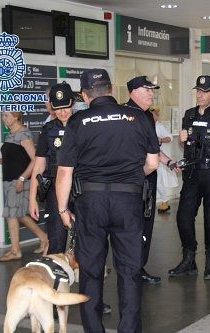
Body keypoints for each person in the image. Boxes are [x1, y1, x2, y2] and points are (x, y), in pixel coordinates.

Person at [56, 69, 159, 333]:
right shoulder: (138, 117)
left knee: (90, 272)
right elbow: (152, 163)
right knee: (130, 271)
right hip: (128, 202)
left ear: (84, 94)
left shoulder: (78, 121)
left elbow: (65, 172)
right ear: (112, 89)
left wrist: (62, 208)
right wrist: (131, 177)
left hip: (90, 203)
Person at [168, 75, 210, 280]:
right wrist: (181, 141)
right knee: (183, 216)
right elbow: (186, 145)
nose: (200, 94)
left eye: (205, 91)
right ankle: (189, 258)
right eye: (198, 91)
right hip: (191, 172)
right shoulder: (189, 115)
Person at [125, 75, 176, 285]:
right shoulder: (124, 114)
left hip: (148, 179)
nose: (151, 94)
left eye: (152, 90)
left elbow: (152, 148)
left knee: (146, 224)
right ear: (134, 92)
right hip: (131, 181)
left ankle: (139, 267)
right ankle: (130, 269)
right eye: (147, 90)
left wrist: (170, 162)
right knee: (131, 226)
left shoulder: (147, 116)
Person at [0, 112, 48, 261]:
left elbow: (35, 160)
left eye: (6, 115)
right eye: (3, 116)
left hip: (19, 181)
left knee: (12, 214)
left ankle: (15, 250)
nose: (3, 118)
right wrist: (2, 161)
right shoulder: (11, 135)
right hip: (10, 181)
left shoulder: (24, 135)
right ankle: (44, 238)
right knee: (20, 214)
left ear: (16, 117)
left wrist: (22, 178)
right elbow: (16, 158)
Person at [29, 83, 74, 255]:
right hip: (55, 189)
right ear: (51, 107)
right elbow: (39, 165)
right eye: (58, 108)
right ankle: (56, 280)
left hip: (81, 188)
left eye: (66, 107)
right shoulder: (48, 130)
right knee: (56, 241)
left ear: (73, 104)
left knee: (87, 240)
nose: (63, 112)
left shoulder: (83, 125)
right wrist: (32, 198)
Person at [152, 108, 179, 213]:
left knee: (158, 182)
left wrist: (160, 139)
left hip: (159, 158)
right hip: (147, 159)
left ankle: (164, 202)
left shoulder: (159, 126)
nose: (152, 116)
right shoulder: (145, 124)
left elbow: (170, 138)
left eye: (153, 114)